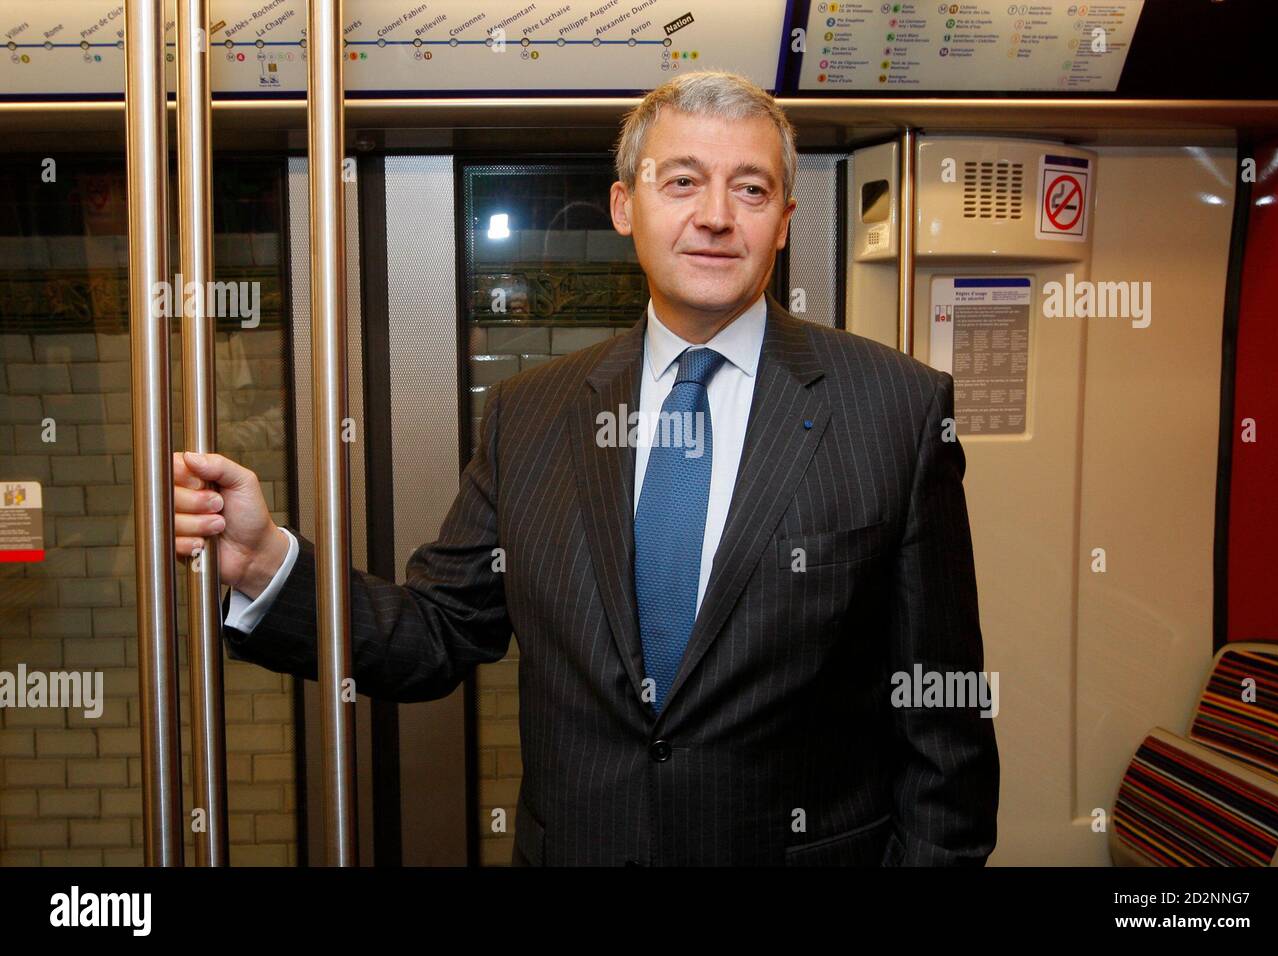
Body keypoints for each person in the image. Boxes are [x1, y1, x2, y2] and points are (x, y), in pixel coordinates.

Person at [172, 70, 998, 866]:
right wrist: (267, 564)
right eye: (681, 182)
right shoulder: (532, 414)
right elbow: (435, 633)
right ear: (623, 206)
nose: (716, 216)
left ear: (783, 220)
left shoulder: (897, 410)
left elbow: (943, 724)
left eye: (749, 189)